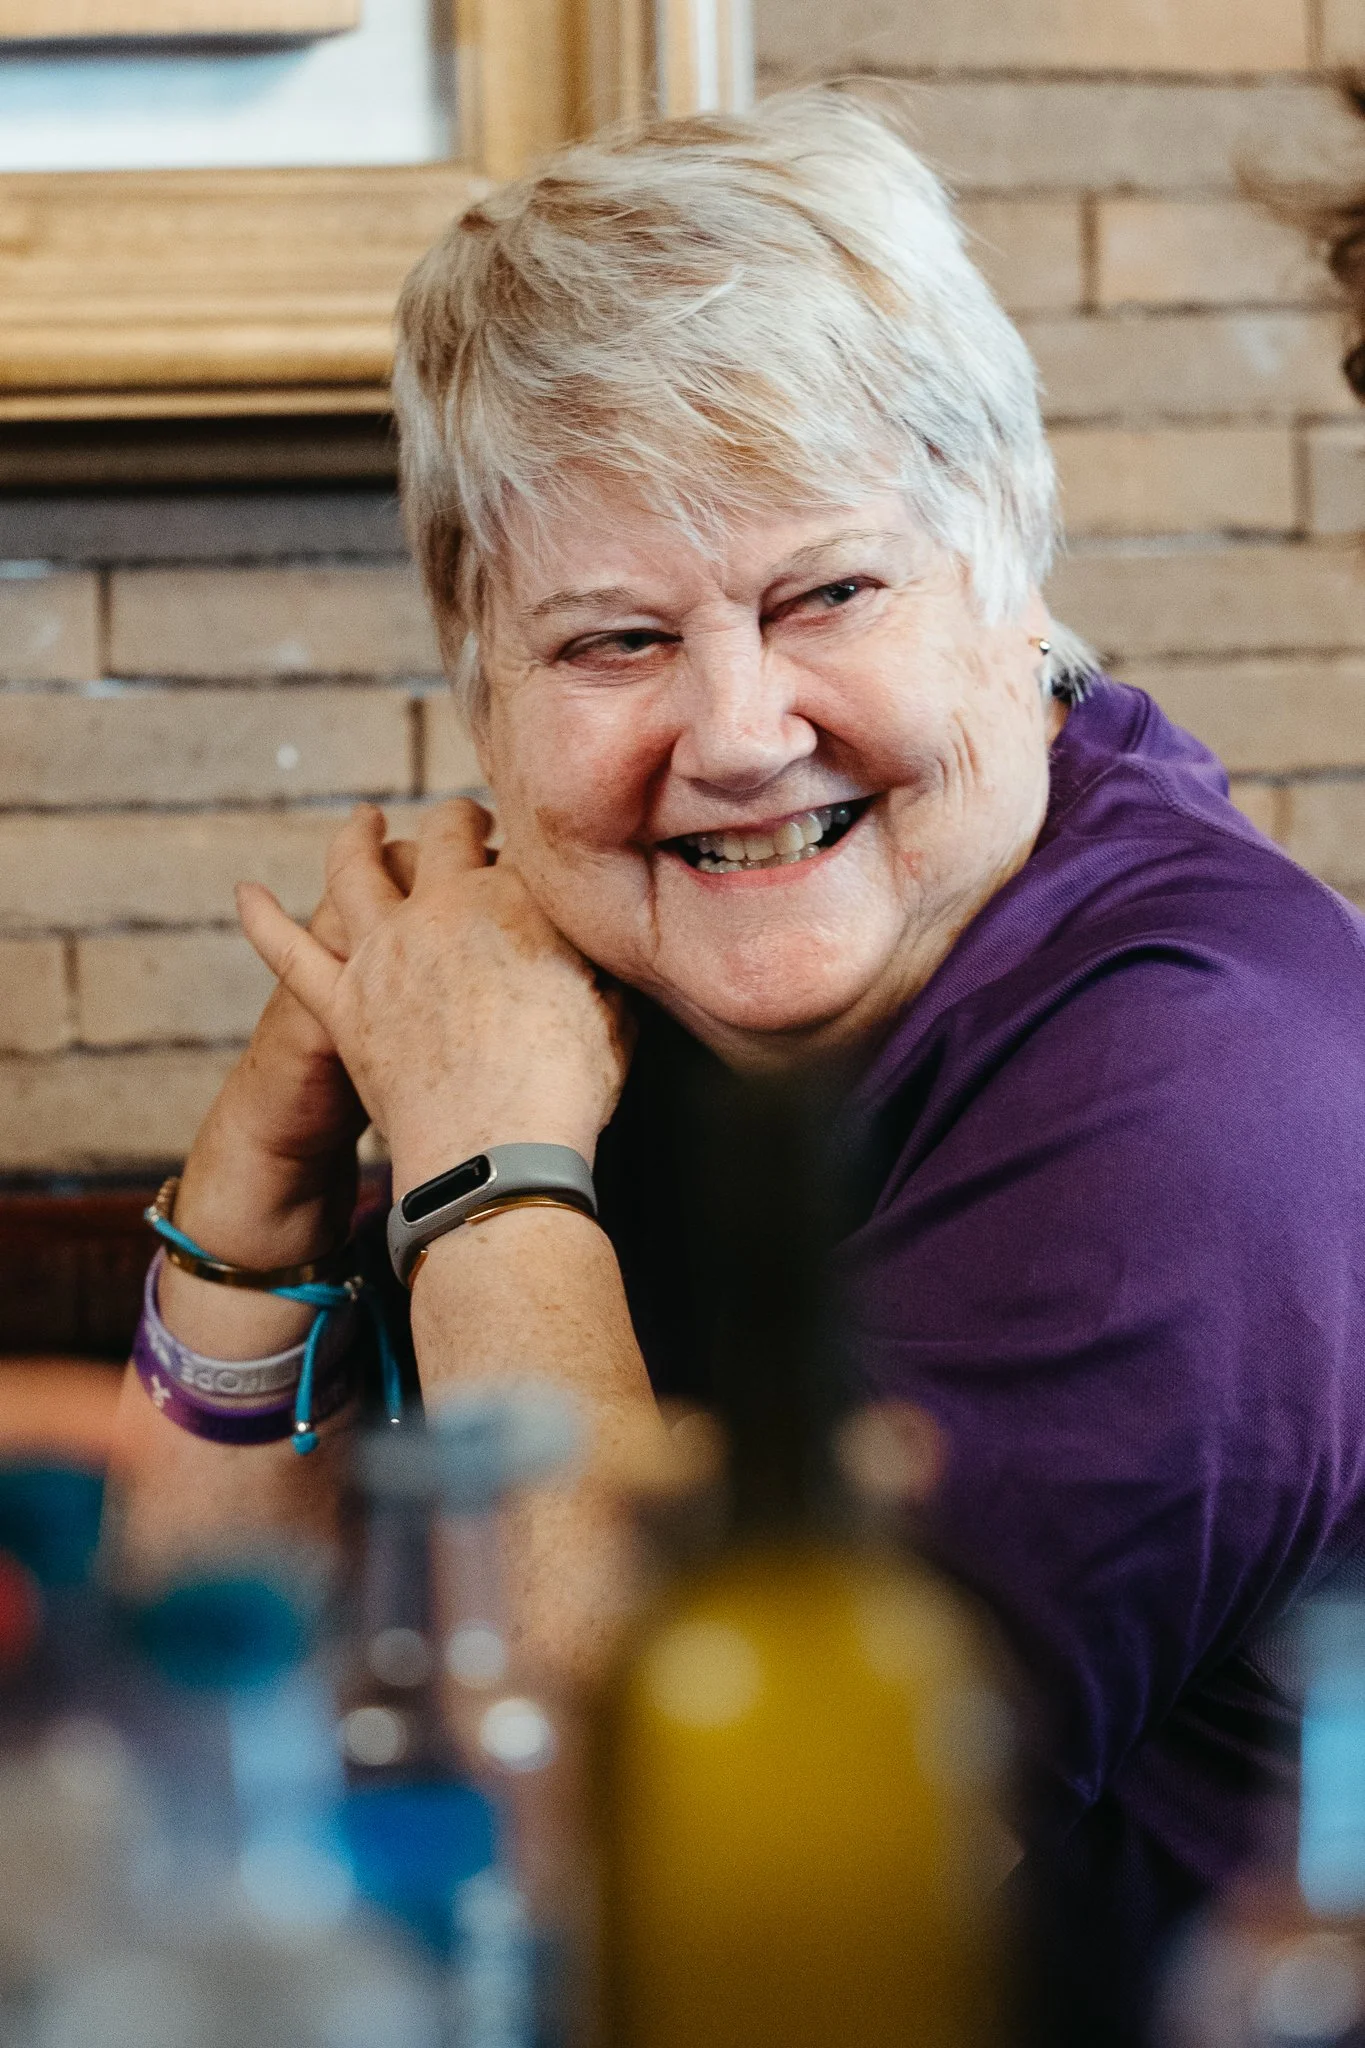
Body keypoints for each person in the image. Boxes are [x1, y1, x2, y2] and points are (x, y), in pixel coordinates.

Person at [107, 91, 1365, 2042]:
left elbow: (678, 1874)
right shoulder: (597, 977)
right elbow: (201, 1719)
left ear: (1010, 578)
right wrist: (259, 1204)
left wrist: (486, 1166)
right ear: (484, 694)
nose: (736, 730)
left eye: (825, 594)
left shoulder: (1215, 1089)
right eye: (611, 640)